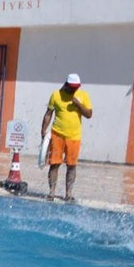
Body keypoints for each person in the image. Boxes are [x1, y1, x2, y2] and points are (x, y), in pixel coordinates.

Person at [40, 73, 92, 202]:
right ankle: (51, 192)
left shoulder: (83, 95)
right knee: (54, 164)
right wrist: (43, 131)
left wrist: (78, 104)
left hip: (74, 136)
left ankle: (68, 193)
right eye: (72, 87)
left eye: (76, 87)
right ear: (66, 84)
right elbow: (48, 113)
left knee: (71, 165)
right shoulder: (56, 95)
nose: (74, 89)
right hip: (57, 134)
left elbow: (89, 114)